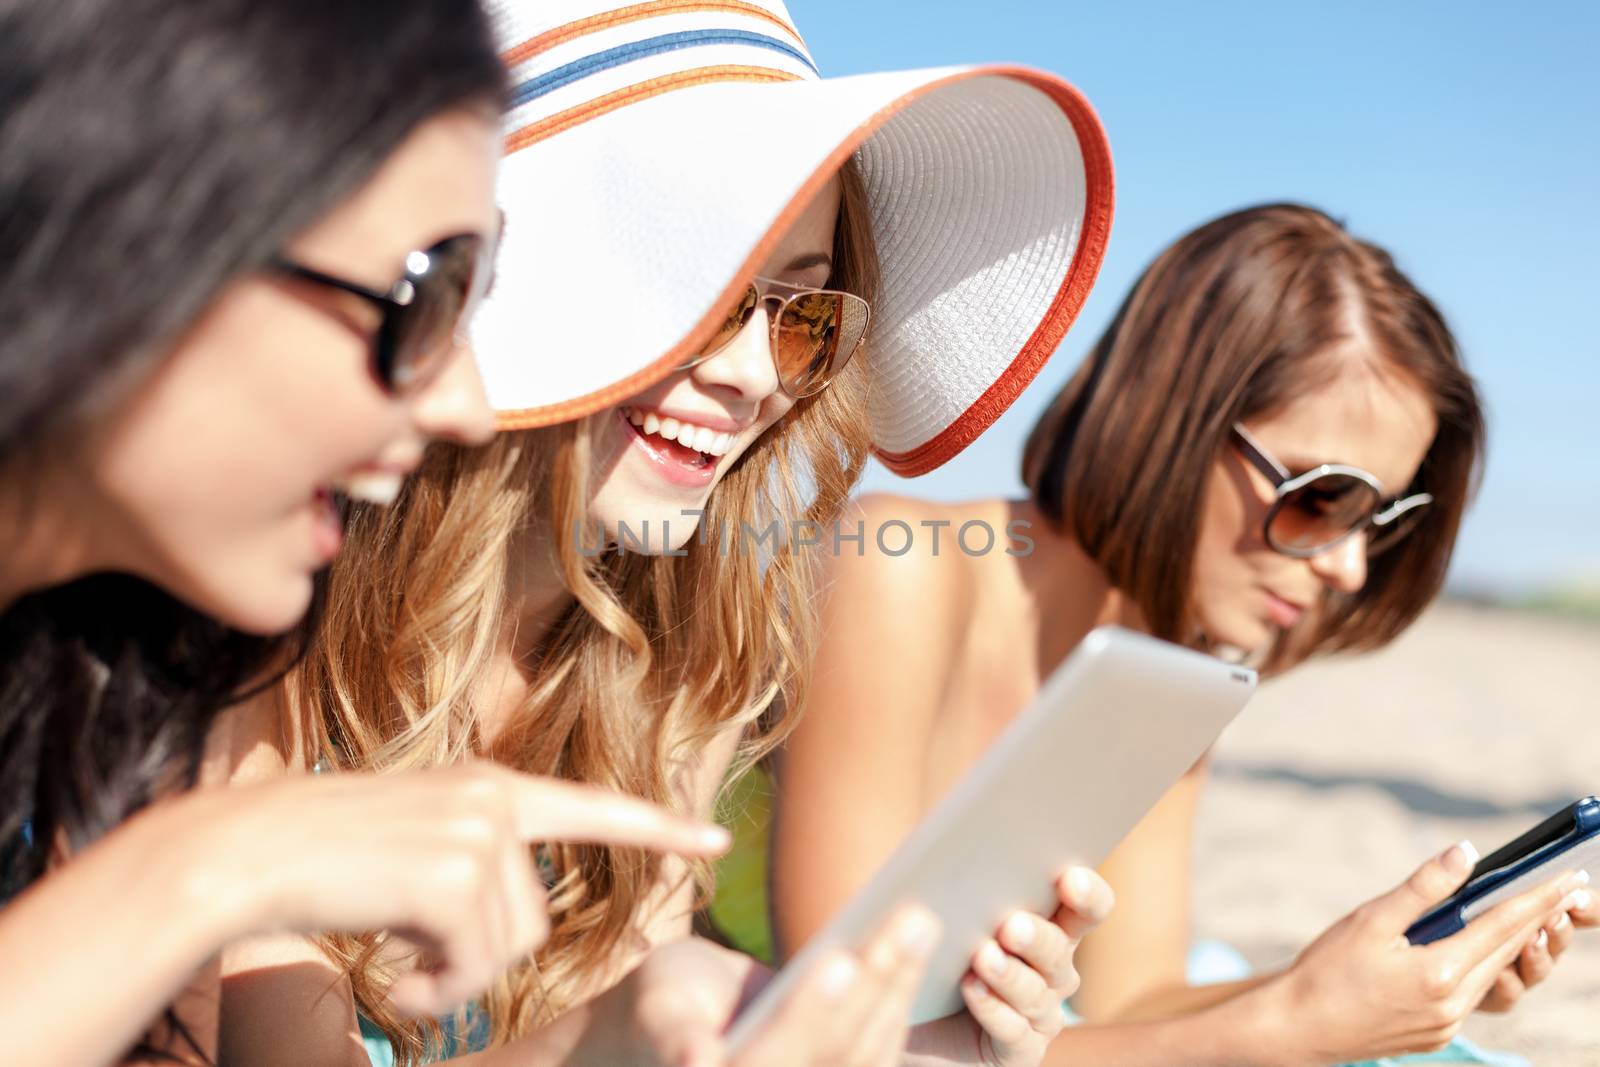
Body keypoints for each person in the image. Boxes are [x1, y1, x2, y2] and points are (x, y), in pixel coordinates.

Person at [218, 1, 1119, 1064]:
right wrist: (619, 1023)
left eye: (803, 314)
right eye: (694, 292)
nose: (751, 374)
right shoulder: (264, 621)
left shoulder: (685, 658)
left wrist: (930, 1046)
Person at [0, 4, 731, 1064]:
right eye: (420, 296)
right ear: (140, 236)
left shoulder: (115, 669)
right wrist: (210, 866)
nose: (468, 406)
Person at [766, 203, 1598, 1066]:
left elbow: (1138, 1001)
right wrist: (1297, 1020)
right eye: (1321, 497)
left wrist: (1380, 973)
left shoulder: (1165, 674)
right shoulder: (901, 569)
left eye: (1380, 520)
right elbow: (834, 1038)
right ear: (1171, 418)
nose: (1349, 565)